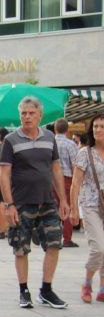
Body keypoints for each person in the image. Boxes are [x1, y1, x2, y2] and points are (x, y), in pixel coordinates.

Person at [0, 96, 69, 309]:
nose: (27, 117)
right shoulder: (11, 140)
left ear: (40, 115)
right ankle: (24, 291)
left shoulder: (49, 137)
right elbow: (4, 174)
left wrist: (63, 200)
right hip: (21, 203)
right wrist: (9, 204)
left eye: (31, 113)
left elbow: (56, 169)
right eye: (23, 113)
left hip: (47, 201)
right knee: (21, 247)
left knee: (54, 243)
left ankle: (46, 290)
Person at [69, 113, 104, 303]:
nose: (98, 130)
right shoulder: (84, 153)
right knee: (99, 248)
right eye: (96, 126)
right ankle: (87, 282)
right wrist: (74, 209)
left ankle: (103, 288)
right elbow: (75, 183)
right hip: (90, 204)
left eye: (102, 127)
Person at [55, 118, 81, 248]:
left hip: (50, 179)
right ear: (67, 130)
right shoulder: (70, 144)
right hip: (66, 178)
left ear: (55, 129)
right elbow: (75, 164)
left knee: (53, 207)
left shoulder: (50, 143)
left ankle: (51, 236)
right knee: (67, 206)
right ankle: (67, 238)